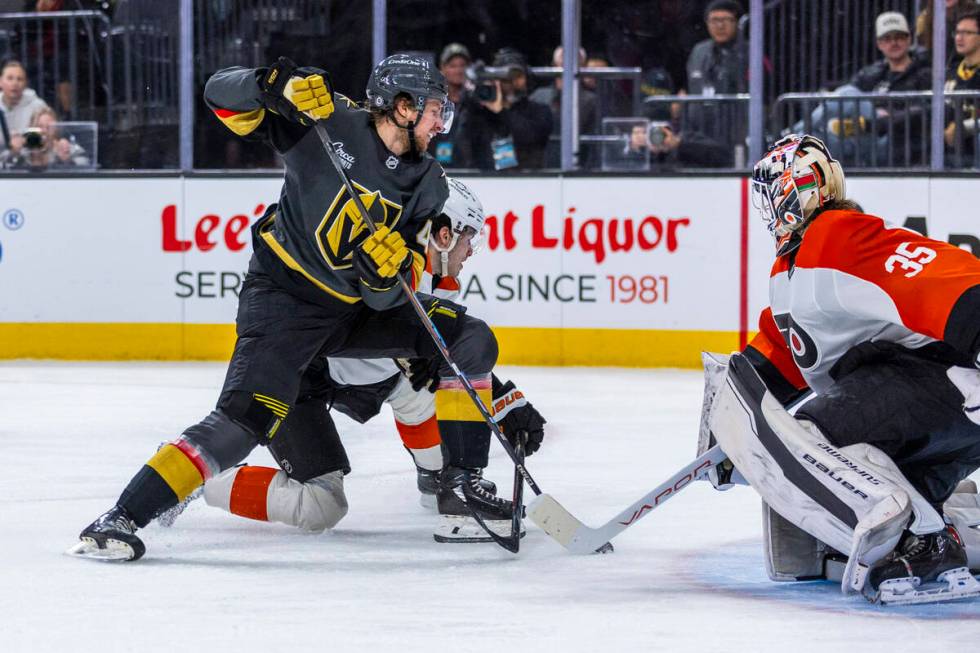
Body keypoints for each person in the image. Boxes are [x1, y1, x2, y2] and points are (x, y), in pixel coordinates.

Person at [70, 54, 519, 561]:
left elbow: (392, 293)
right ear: (401, 107)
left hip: (355, 313)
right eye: (436, 110)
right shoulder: (327, 123)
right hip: (285, 302)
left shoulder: (430, 183)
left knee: (469, 336)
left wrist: (383, 278)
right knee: (243, 421)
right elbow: (218, 96)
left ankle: (460, 489)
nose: (443, 123)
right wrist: (267, 84)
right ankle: (123, 515)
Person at [181, 178, 546, 542]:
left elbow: (451, 359)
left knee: (421, 386)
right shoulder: (384, 270)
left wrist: (506, 403)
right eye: (470, 239)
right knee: (321, 506)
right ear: (444, 234)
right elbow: (434, 353)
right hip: (298, 377)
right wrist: (503, 405)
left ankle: (437, 477)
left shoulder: (429, 275)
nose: (471, 251)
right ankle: (202, 481)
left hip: (368, 374)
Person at [707, 133, 980, 603]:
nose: (769, 210)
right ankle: (947, 528)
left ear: (800, 191)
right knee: (804, 436)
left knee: (812, 438)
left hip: (948, 389)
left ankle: (922, 534)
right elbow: (781, 351)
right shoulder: (793, 267)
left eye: (775, 195)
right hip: (933, 417)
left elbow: (949, 277)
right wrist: (724, 432)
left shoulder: (840, 235)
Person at [456, 47, 553, 171]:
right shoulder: (481, 113)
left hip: (528, 181)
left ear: (527, 77)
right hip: (485, 181)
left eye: (517, 76)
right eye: (505, 77)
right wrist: (469, 97)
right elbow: (460, 140)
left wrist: (501, 111)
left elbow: (531, 138)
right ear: (495, 80)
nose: (512, 82)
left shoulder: (540, 110)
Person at [528, 45, 598, 168]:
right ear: (554, 65)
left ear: (583, 66)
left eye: (575, 59)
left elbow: (595, 137)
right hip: (543, 161)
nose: (568, 63)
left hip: (580, 162)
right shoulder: (539, 96)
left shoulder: (592, 100)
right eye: (563, 59)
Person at [944, 9, 980, 167]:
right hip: (949, 151)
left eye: (967, 33)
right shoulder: (950, 72)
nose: (959, 37)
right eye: (957, 32)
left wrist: (963, 127)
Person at [0, 107, 90, 169]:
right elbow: (2, 165)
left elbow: (86, 164)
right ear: (32, 127)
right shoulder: (22, 149)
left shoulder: (64, 147)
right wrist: (13, 153)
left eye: (49, 127)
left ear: (56, 128)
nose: (44, 131)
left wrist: (67, 161)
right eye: (40, 126)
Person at [429, 43, 471, 167]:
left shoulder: (476, 101)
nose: (459, 70)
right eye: (453, 66)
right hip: (439, 169)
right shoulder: (433, 102)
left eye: (463, 65)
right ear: (442, 69)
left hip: (474, 170)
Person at [0, 59, 50, 144]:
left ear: (25, 83)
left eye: (19, 79)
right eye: (10, 78)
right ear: (0, 82)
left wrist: (23, 141)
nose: (15, 83)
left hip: (29, 154)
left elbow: (48, 137)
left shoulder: (38, 106)